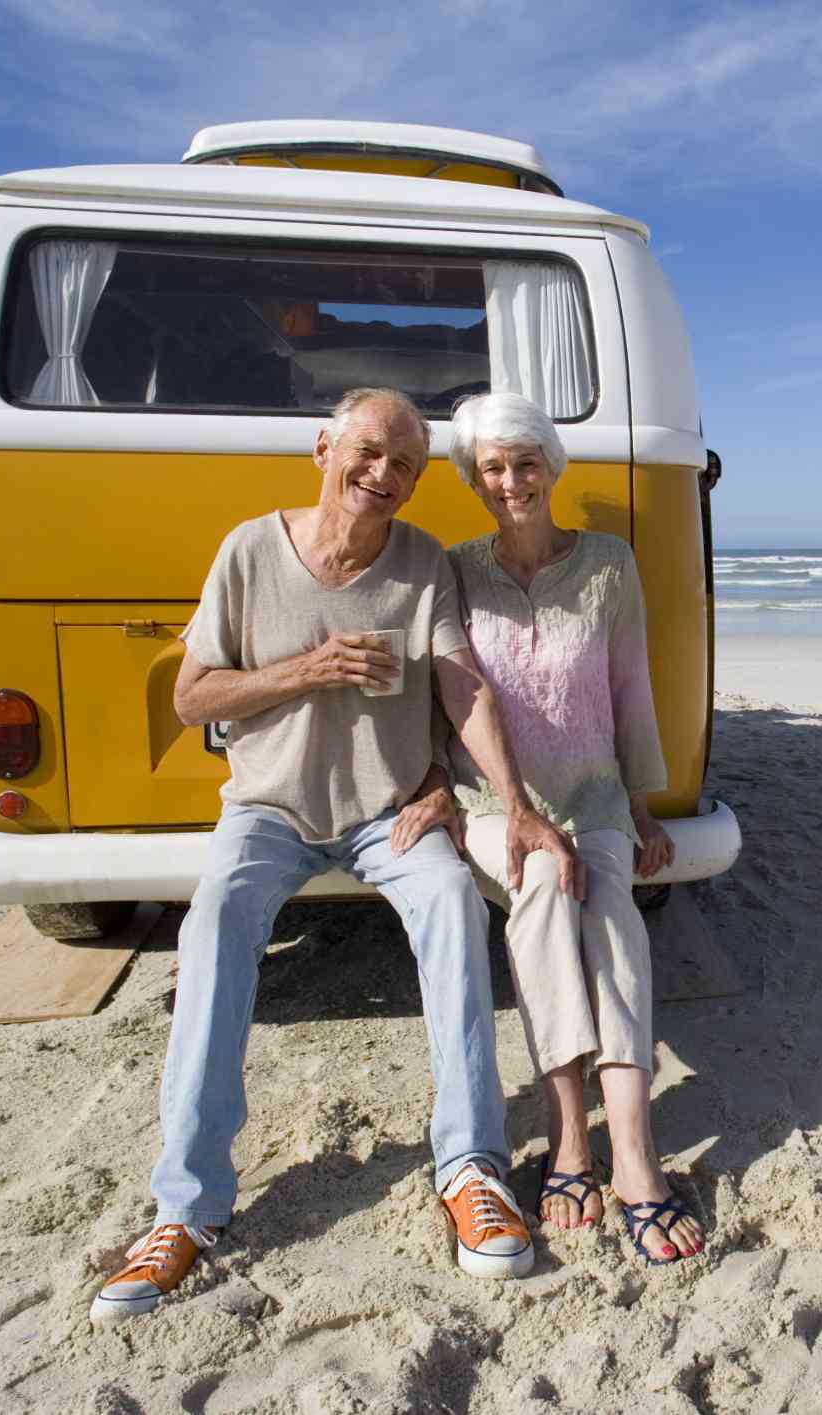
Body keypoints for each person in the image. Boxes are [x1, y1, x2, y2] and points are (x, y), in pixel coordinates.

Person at [90, 388, 580, 1324]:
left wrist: (495, 797)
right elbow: (193, 697)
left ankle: (471, 1165)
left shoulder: (424, 562)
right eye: (366, 451)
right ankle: (188, 1206)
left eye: (403, 463)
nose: (382, 474)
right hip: (269, 810)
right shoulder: (248, 550)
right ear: (323, 447)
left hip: (387, 814)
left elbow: (461, 685)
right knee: (215, 925)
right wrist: (304, 671)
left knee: (450, 907)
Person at [441, 391, 708, 1265]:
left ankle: (631, 1152)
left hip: (592, 794)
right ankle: (569, 1139)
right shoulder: (454, 569)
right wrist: (437, 791)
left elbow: (631, 689)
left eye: (525, 463)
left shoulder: (608, 564)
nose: (511, 480)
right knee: (547, 895)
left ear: (551, 469)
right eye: (493, 467)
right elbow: (441, 693)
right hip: (494, 803)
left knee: (615, 918)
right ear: (475, 480)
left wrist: (638, 804)